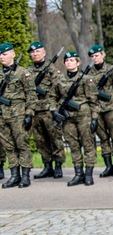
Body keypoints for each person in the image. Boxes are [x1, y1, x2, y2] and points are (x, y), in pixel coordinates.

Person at [49, 51, 98, 187]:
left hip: (84, 116)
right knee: (74, 146)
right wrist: (54, 111)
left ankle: (88, 174)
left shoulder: (86, 79)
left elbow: (93, 100)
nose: (69, 63)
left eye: (72, 60)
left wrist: (94, 118)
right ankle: (78, 174)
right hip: (67, 118)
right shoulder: (59, 80)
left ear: (78, 62)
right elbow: (52, 97)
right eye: (67, 60)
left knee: (88, 145)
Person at [27, 41, 66, 179]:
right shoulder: (28, 72)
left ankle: (58, 166)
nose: (35, 54)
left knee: (55, 139)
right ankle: (47, 166)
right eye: (32, 52)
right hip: (35, 111)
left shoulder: (53, 70)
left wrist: (56, 108)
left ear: (44, 52)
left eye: (37, 51)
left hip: (49, 110)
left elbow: (61, 91)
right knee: (40, 140)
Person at [0, 42, 37, 188]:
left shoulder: (22, 72)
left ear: (13, 54)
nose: (1, 57)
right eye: (0, 54)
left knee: (22, 145)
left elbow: (31, 94)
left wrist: (29, 113)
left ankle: (25, 176)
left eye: (4, 54)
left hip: (18, 114)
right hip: (2, 115)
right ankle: (15, 175)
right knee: (8, 146)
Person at [89, 45, 113, 178]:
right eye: (92, 56)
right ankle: (108, 166)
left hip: (111, 108)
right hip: (97, 110)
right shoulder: (88, 73)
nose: (95, 58)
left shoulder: (111, 70)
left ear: (103, 55)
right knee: (103, 139)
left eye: (97, 55)